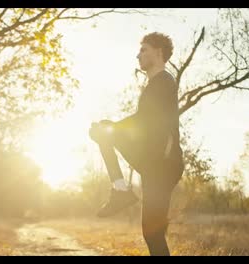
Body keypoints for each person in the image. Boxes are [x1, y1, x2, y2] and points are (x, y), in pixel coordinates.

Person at [89, 32, 184, 256]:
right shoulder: (156, 84)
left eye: (144, 50)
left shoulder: (164, 81)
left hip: (163, 164)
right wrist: (112, 129)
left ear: (159, 53)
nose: (138, 55)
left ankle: (121, 190)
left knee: (153, 233)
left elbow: (145, 120)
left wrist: (113, 128)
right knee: (152, 234)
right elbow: (145, 124)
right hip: (153, 163)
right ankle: (120, 189)